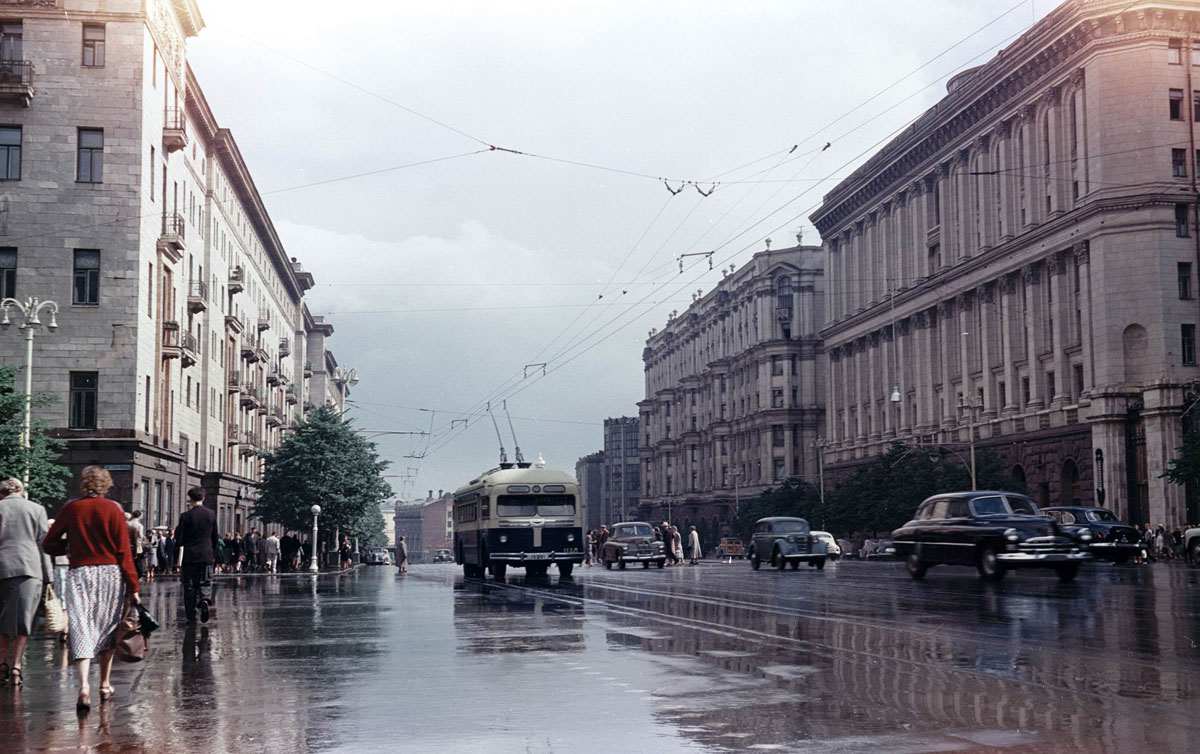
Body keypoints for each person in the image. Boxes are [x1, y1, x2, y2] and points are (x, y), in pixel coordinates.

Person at [42, 466, 140, 712]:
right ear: (106, 485)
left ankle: (83, 685)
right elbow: (123, 551)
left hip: (80, 573)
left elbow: (49, 543)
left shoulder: (71, 509)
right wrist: (133, 585)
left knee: (81, 625)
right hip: (110, 574)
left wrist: (69, 548)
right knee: (107, 627)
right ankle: (104, 684)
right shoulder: (114, 510)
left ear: (84, 484)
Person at [0, 478, 52, 687]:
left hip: (2, 567)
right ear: (21, 490)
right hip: (28, 569)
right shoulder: (36, 509)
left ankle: (2, 662)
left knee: (2, 619)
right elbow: (43, 544)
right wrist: (49, 577)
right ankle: (17, 666)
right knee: (24, 620)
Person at [175, 487, 218, 624]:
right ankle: (204, 600)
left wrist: (177, 558)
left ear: (190, 499)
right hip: (206, 555)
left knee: (189, 586)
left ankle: (191, 616)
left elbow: (180, 538)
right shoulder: (211, 514)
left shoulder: (186, 516)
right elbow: (215, 536)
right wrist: (213, 553)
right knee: (205, 581)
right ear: (203, 498)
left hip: (190, 556)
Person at [127, 510, 146, 581]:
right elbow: (140, 536)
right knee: (137, 562)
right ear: (139, 516)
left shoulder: (128, 523)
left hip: (128, 545)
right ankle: (137, 576)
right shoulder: (140, 525)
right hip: (137, 546)